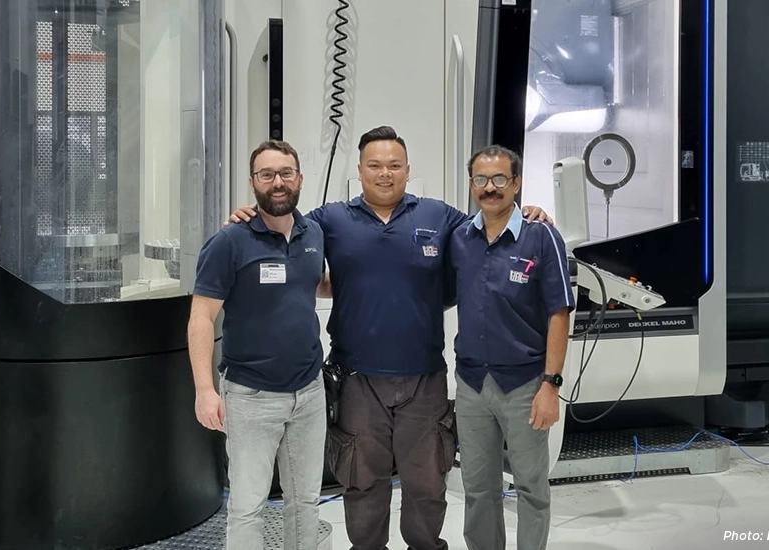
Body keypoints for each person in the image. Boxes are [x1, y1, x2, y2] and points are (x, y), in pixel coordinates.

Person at [226, 126, 550, 550]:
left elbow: (489, 221)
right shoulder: (330, 220)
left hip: (424, 380)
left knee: (427, 483)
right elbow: (281, 221)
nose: (385, 174)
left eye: (394, 165)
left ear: (407, 170)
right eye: (375, 166)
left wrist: (529, 214)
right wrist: (245, 217)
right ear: (359, 170)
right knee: (362, 483)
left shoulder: (439, 216)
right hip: (357, 380)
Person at [188, 139, 328, 550]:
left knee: (305, 501)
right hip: (251, 395)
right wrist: (204, 390)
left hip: (309, 392)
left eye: (285, 173)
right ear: (253, 183)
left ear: (300, 178)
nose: (278, 182)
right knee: (248, 505)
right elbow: (201, 317)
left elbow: (311, 284)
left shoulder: (313, 232)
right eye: (267, 175)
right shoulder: (229, 242)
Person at [446, 145, 572, 550]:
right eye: (481, 180)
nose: (490, 188)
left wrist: (550, 386)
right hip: (471, 384)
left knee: (531, 486)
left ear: (516, 183)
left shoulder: (541, 236)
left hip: (525, 386)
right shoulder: (460, 238)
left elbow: (559, 313)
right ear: (471, 185)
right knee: (478, 489)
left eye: (500, 179)